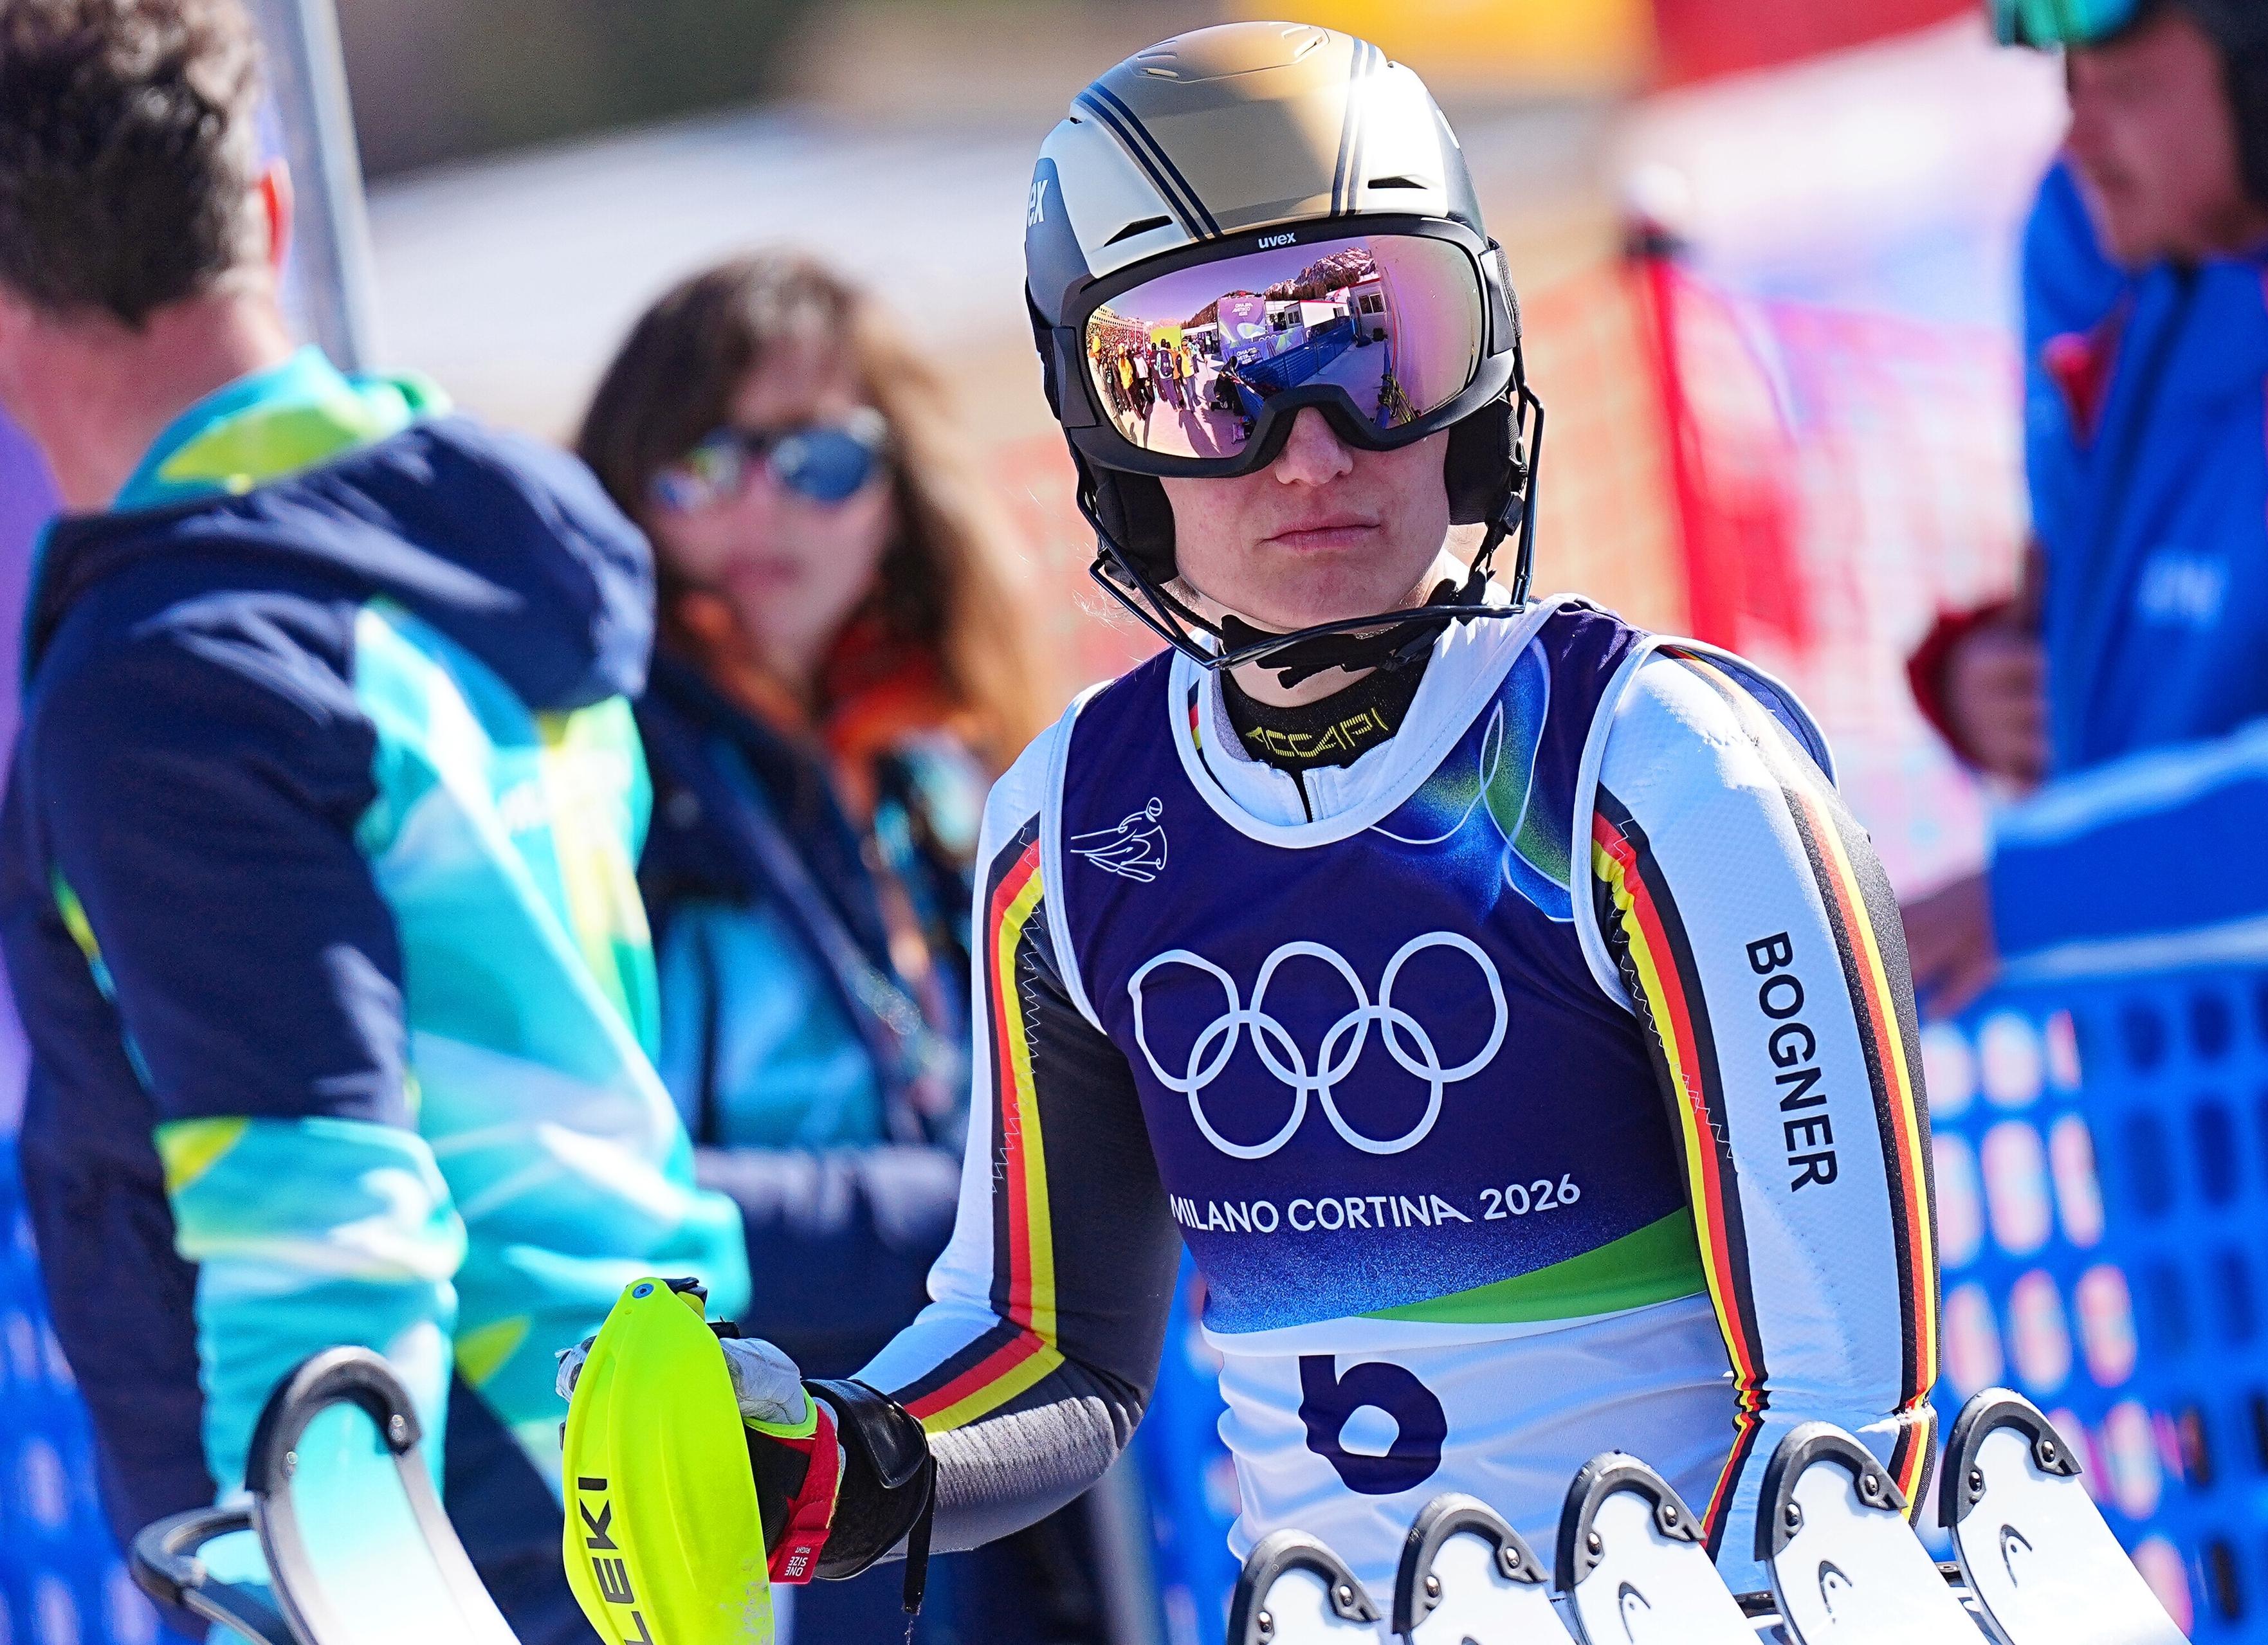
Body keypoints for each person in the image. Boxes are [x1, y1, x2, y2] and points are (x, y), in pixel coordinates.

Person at [562, 20, 1940, 1621]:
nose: (1308, 451)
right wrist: (841, 1466)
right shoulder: (1072, 829)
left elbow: (1848, 1419)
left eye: (1380, 347)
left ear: (1480, 370)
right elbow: (1047, 1339)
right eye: (1206, 380)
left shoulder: (1662, 773)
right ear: (1105, 442)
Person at [0, 0, 746, 1637]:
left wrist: (313, 1597)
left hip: (455, 1536)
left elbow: (324, 1231)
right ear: (267, 215)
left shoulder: (179, 671)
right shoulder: (467, 552)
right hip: (654, 1446)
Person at [572, 253, 1101, 1645]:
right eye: (700, 461)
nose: (760, 504)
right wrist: (965, 1221)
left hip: (959, 1439)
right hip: (729, 1468)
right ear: (624, 491)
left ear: (901, 487)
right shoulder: (591, 773)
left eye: (815, 457)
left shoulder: (947, 762)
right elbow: (597, 1185)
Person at [1904, 0, 2268, 1008]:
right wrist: (2007, 682)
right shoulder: (2132, 250)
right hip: (2182, 1109)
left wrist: (2038, 896)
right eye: (2069, 81)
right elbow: (2109, 561)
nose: (2075, 135)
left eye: (2124, 88)